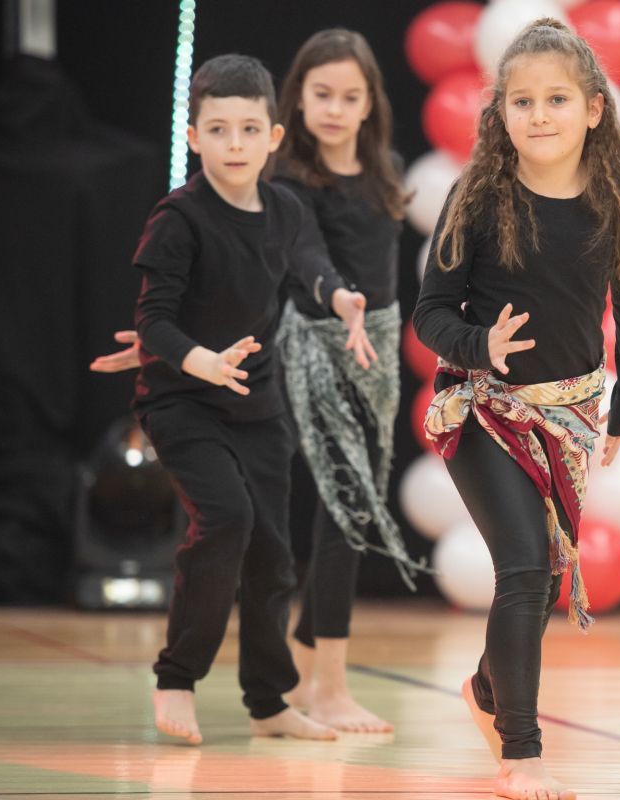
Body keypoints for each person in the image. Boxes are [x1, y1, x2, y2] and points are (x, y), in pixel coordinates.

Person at [412, 18, 620, 800]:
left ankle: (487, 689)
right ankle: (521, 752)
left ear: (593, 109)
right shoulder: (478, 199)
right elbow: (430, 312)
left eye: (557, 99)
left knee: (542, 573)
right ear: (501, 114)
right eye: (521, 101)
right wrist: (478, 344)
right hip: (479, 405)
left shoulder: (617, 203)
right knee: (524, 566)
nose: (539, 115)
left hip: (567, 416)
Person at [125, 53, 376, 745]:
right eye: (218, 130)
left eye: (248, 130)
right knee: (226, 520)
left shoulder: (286, 208)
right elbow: (153, 320)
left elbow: (309, 263)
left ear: (273, 137)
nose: (234, 144)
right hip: (182, 402)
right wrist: (200, 361)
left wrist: (340, 297)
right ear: (193, 137)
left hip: (257, 405)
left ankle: (268, 703)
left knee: (272, 551)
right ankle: (177, 677)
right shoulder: (177, 219)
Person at [272, 28, 425, 735]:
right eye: (322, 94)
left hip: (376, 357)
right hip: (315, 352)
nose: (334, 109)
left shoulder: (386, 169)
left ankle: (304, 675)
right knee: (345, 510)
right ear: (299, 99)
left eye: (349, 96)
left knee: (352, 512)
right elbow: (305, 255)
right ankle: (329, 687)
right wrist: (340, 299)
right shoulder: (287, 178)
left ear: (369, 104)